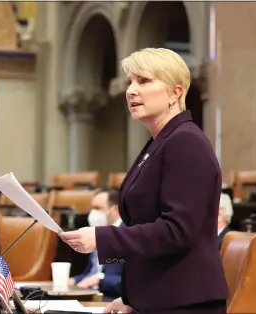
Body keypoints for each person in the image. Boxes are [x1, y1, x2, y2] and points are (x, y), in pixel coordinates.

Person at [59, 48, 229, 314]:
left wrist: (103, 239)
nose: (130, 90)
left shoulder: (186, 142)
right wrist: (131, 299)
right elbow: (146, 225)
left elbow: (177, 230)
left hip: (185, 303)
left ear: (176, 91)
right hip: (159, 298)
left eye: (144, 81)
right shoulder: (161, 142)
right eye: (130, 81)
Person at [69, 189, 123, 300]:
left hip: (112, 300)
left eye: (98, 208)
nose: (92, 214)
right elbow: (92, 273)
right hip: (90, 294)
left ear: (115, 210)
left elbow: (137, 282)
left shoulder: (126, 235)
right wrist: (74, 280)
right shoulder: (97, 233)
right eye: (92, 208)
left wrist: (100, 280)